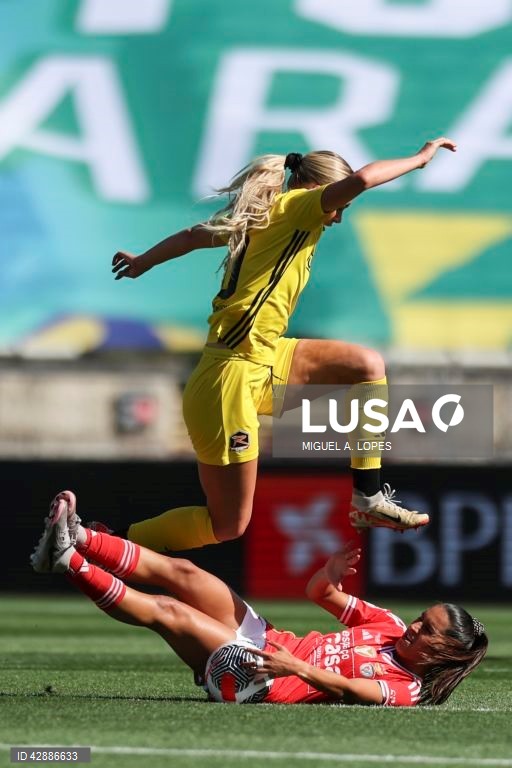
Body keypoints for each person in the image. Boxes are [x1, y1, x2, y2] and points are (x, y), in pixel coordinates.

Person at [108, 137, 457, 554]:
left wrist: (143, 261)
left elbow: (191, 236)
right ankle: (110, 541)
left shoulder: (264, 216)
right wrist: (419, 159)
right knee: (229, 524)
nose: (339, 217)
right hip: (229, 379)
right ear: (315, 191)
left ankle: (367, 497)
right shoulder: (298, 208)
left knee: (365, 365)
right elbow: (363, 178)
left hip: (263, 357)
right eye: (339, 206)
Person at [31, 491, 487, 706]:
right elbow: (320, 595)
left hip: (265, 682)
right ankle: (81, 536)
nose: (413, 626)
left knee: (171, 613)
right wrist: (328, 577)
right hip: (268, 639)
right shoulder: (388, 625)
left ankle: (67, 559)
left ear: (444, 652)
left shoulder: (405, 689)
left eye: (427, 630)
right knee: (184, 572)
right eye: (421, 618)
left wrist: (296, 668)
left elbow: (350, 690)